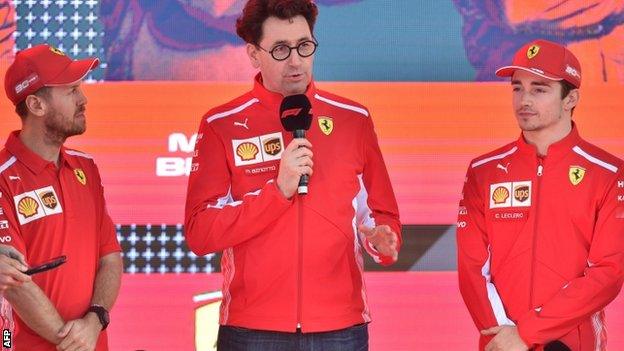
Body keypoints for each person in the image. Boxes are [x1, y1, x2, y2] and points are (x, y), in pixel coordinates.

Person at [184, 0, 401, 349]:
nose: (296, 60)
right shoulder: (220, 124)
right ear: (254, 54)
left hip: (341, 328)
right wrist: (277, 191)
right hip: (251, 329)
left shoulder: (353, 119)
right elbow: (200, 232)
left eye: (304, 46)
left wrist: (383, 242)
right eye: (281, 50)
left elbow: (381, 214)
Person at [457, 39, 624, 351]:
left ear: (570, 98)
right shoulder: (483, 171)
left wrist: (528, 333)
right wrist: (504, 336)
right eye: (517, 88)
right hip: (500, 343)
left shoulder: (609, 173)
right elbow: (471, 269)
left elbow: (608, 272)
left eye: (539, 89)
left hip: (572, 343)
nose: (524, 100)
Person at [0, 44, 122, 351]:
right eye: (71, 90)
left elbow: (109, 258)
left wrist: (94, 322)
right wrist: (70, 340)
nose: (83, 99)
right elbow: (14, 282)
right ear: (36, 105)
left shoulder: (87, 168)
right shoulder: (2, 177)